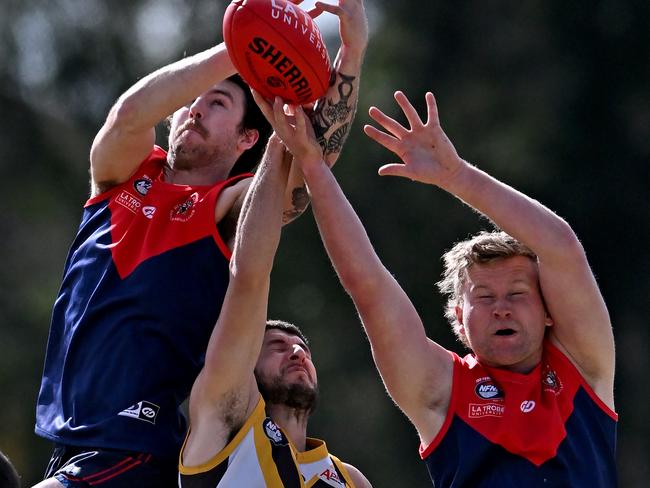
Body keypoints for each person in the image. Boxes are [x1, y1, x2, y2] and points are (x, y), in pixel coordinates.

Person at [34, 0, 368, 485]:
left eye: (218, 104)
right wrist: (243, 45)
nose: (195, 108)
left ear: (246, 139)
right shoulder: (122, 174)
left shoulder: (227, 205)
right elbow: (128, 114)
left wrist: (352, 53)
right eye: (194, 99)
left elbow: (303, 173)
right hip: (70, 443)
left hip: (134, 446)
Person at [269, 90, 617, 486]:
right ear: (460, 321)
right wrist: (313, 166)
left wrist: (457, 177)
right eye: (484, 297)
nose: (501, 308)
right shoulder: (443, 390)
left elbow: (562, 247)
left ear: (549, 311)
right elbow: (368, 285)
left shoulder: (583, 368)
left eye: (517, 294)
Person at [178, 125, 371, 487]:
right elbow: (249, 277)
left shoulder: (350, 479)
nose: (297, 352)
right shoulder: (224, 421)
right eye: (278, 347)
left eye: (302, 348)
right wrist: (280, 137)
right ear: (246, 364)